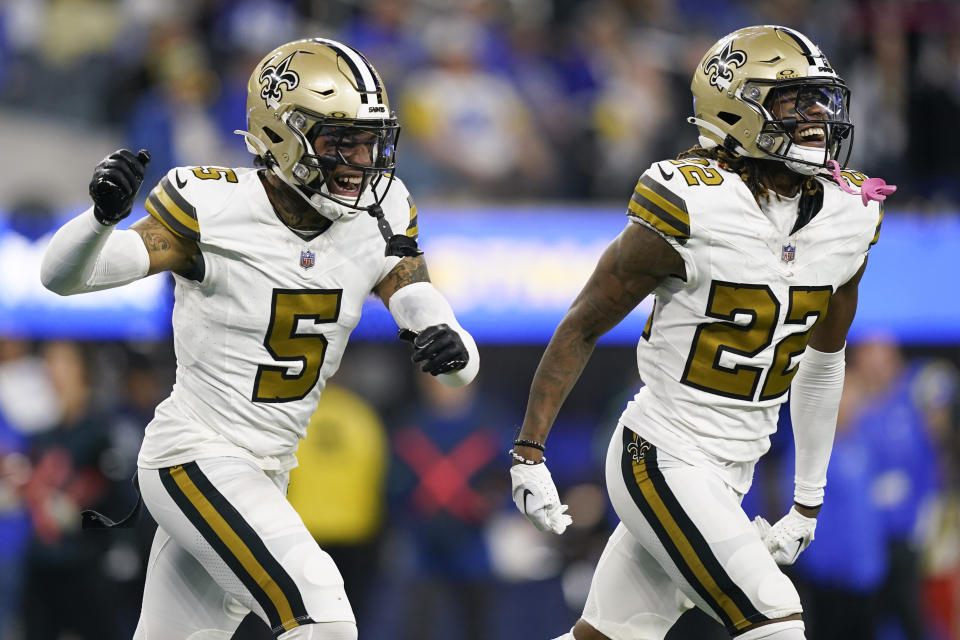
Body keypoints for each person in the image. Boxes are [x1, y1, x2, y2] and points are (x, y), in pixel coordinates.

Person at [40, 37, 479, 640]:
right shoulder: (213, 205)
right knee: (322, 615)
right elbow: (64, 277)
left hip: (268, 467)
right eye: (339, 140)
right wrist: (99, 219)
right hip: (196, 454)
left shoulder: (383, 209)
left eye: (367, 140)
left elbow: (412, 292)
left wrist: (447, 337)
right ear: (281, 135)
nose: (360, 161)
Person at [507, 25, 893, 640]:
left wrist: (807, 500)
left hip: (731, 468)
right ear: (734, 108)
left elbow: (824, 360)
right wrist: (529, 449)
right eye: (794, 102)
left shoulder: (851, 214)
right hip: (659, 454)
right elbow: (583, 325)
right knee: (775, 618)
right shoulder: (691, 203)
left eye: (822, 101)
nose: (817, 118)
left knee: (607, 637)